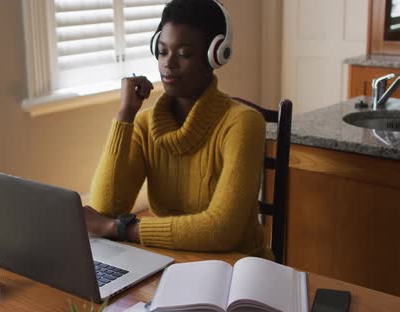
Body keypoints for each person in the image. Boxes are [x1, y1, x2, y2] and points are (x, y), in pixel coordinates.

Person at [84, 0, 272, 260]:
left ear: (215, 55)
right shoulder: (144, 124)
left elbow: (222, 230)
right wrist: (125, 116)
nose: (168, 64)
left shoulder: (243, 123)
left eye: (183, 54)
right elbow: (106, 209)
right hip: (170, 260)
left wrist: (119, 229)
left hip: (236, 269)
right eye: (162, 52)